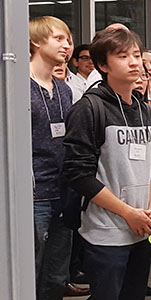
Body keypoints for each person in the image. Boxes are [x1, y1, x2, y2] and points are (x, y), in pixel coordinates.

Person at [63, 27, 151, 300]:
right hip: (106, 232)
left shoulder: (144, 110)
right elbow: (78, 174)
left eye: (136, 55)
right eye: (122, 56)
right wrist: (127, 212)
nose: (134, 62)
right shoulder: (89, 109)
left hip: (141, 228)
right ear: (103, 65)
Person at [29, 16, 75, 299]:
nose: (66, 45)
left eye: (68, 40)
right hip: (33, 195)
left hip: (63, 191)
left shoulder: (64, 90)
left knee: (58, 275)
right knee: (30, 269)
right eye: (59, 39)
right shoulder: (16, 86)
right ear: (36, 41)